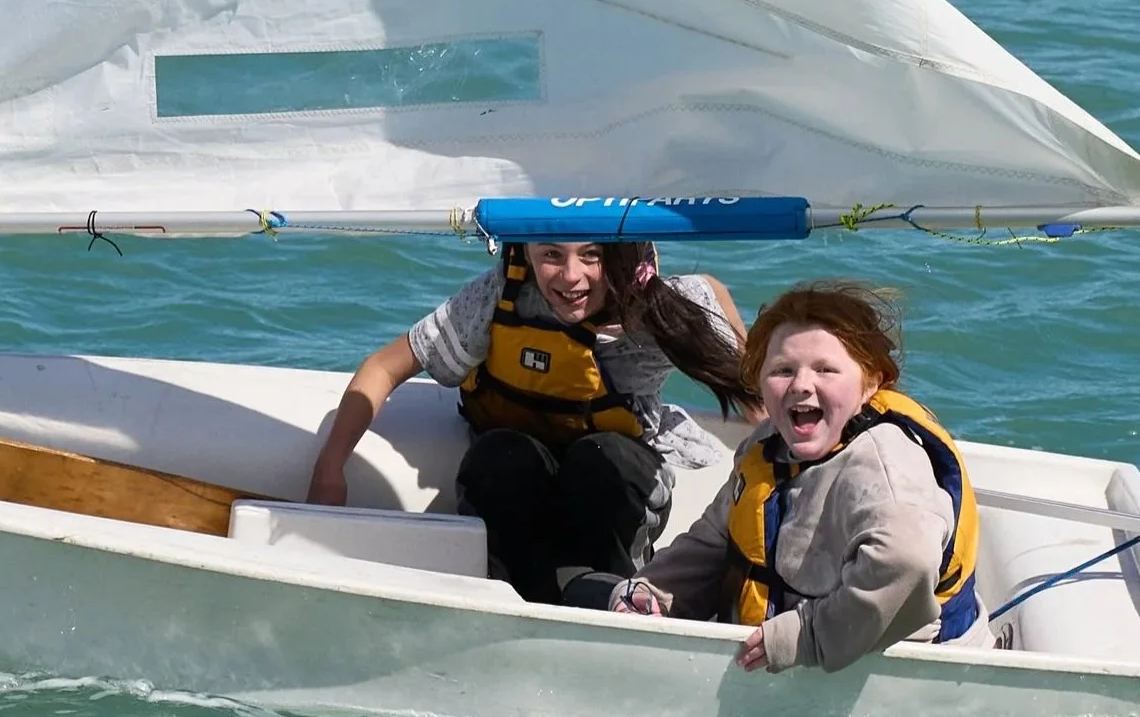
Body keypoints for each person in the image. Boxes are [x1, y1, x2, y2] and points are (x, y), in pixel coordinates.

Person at [304, 240, 749, 605]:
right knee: (499, 454)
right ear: (526, 253)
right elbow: (384, 367)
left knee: (600, 458)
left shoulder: (656, 308)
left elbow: (711, 293)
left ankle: (620, 595)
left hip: (612, 484)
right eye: (551, 255)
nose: (570, 276)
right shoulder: (499, 296)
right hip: (520, 478)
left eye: (591, 255)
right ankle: (510, 596)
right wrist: (329, 469)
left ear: (623, 257)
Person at [607, 281, 989, 673]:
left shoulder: (884, 467)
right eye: (782, 370)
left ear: (871, 384)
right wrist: (653, 591)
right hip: (775, 660)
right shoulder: (768, 445)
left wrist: (806, 636)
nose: (802, 384)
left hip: (902, 676)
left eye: (825, 369)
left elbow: (906, 562)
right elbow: (718, 539)